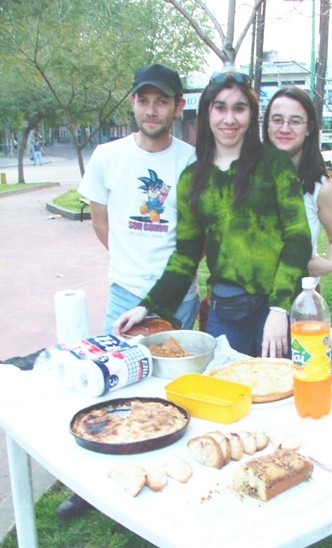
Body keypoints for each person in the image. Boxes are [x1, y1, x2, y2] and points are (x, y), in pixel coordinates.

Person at [57, 63, 200, 521]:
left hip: (179, 297)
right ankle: (91, 488)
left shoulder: (191, 161)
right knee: (108, 387)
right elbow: (102, 223)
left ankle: (163, 474)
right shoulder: (106, 156)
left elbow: (196, 239)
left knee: (172, 389)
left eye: (162, 101)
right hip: (124, 293)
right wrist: (130, 271)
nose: (152, 109)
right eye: (144, 100)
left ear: (177, 107)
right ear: (133, 103)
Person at [114, 70, 312, 359]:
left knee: (279, 393)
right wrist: (146, 306)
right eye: (220, 107)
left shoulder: (274, 165)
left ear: (251, 114)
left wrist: (280, 309)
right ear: (207, 112)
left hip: (276, 312)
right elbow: (185, 257)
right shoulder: (192, 179)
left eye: (239, 108)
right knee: (223, 391)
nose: (229, 119)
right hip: (226, 311)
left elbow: (298, 239)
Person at [263, 86, 332, 279]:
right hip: (245, 298)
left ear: (309, 128)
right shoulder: (247, 173)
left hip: (297, 297)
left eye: (295, 122)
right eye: (277, 120)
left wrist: (329, 264)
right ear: (267, 124)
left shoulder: (320, 187)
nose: (284, 129)